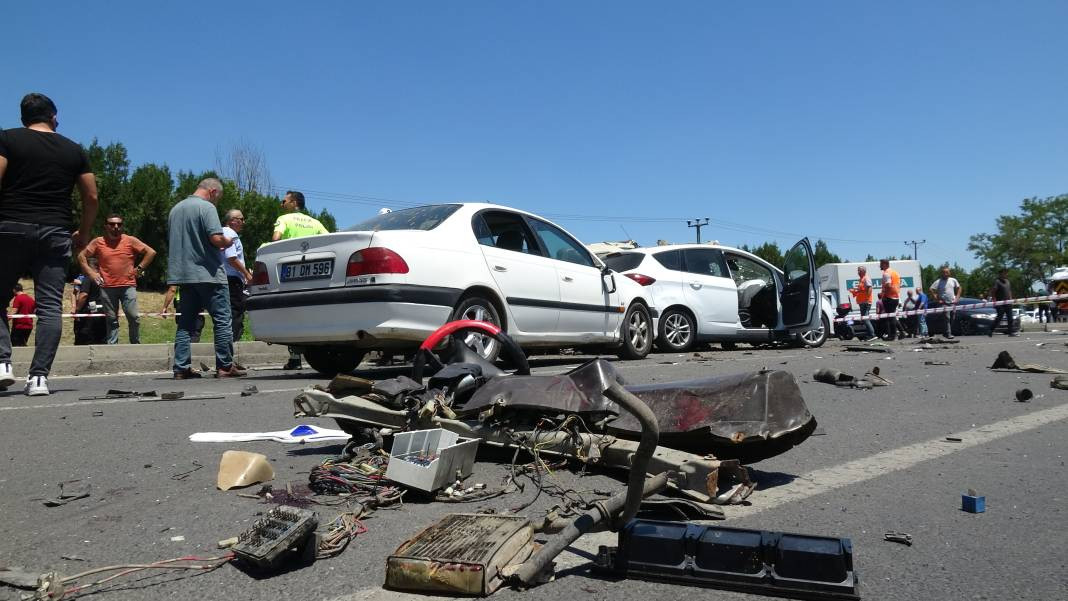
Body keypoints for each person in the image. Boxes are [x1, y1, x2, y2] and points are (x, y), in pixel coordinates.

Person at [0, 93, 98, 396]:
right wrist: (82, 232)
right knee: (50, 307)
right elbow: (91, 197)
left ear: (23, 118)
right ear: (53, 116)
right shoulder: (74, 149)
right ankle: (39, 377)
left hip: (11, 227)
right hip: (55, 231)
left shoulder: (7, 139)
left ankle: (3, 362)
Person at [167, 177, 244, 379]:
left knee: (186, 322)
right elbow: (215, 238)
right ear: (213, 191)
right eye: (218, 197)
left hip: (184, 274)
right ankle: (225, 366)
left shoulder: (176, 209)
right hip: (208, 273)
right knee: (222, 320)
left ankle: (181, 367)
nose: (217, 201)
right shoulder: (207, 208)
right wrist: (228, 241)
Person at [77, 213, 156, 344]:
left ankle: (135, 344)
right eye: (112, 224)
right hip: (107, 287)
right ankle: (112, 346)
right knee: (111, 319)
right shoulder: (98, 242)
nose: (116, 227)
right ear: (106, 226)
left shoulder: (130, 240)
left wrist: (140, 269)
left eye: (119, 224)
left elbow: (151, 252)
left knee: (134, 317)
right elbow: (81, 256)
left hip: (128, 285)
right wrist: (92, 274)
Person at [272, 190, 329, 370]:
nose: (282, 204)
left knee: (291, 316)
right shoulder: (315, 222)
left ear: (294, 202)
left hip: (290, 272)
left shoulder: (285, 219)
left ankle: (295, 358)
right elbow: (328, 240)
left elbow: (276, 239)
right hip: (314, 272)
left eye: (284, 201)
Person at [222, 210, 252, 349]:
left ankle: (226, 355)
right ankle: (229, 354)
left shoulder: (222, 233)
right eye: (241, 219)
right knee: (235, 314)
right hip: (232, 280)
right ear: (232, 220)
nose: (243, 222)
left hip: (224, 278)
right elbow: (232, 258)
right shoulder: (230, 234)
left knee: (226, 316)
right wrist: (247, 274)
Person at [72, 273, 107, 345]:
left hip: (89, 313)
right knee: (101, 340)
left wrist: (77, 310)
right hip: (102, 311)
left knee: (84, 339)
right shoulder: (104, 278)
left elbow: (83, 295)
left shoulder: (88, 278)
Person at [930, 266, 962, 339]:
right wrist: (937, 299)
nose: (945, 274)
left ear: (949, 273)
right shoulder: (938, 281)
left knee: (952, 318)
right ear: (941, 273)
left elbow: (959, 288)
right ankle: (948, 334)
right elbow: (931, 289)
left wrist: (957, 297)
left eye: (947, 272)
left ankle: (945, 332)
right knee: (947, 317)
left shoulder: (953, 280)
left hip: (952, 302)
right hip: (944, 303)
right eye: (944, 272)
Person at [988, 268, 1018, 337]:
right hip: (1000, 303)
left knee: (1010, 318)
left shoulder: (1007, 281)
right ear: (1000, 274)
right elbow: (993, 291)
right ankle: (990, 330)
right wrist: (994, 300)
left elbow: (1009, 291)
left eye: (1006, 273)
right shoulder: (997, 281)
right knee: (999, 317)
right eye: (1004, 273)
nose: (1006, 274)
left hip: (1008, 303)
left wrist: (1011, 299)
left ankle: (1010, 332)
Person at [849, 266, 876, 340]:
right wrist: (855, 292)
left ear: (863, 271)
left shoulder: (866, 278)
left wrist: (867, 298)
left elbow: (869, 289)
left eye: (859, 271)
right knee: (864, 319)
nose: (858, 272)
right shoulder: (861, 279)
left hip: (865, 302)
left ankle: (872, 335)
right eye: (858, 271)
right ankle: (869, 334)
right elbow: (862, 290)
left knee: (866, 319)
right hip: (862, 302)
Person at [879, 259, 901, 341]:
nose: (880, 266)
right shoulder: (894, 272)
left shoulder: (886, 273)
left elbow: (888, 285)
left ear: (885, 264)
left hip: (889, 298)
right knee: (892, 317)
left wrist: (883, 294)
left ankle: (892, 335)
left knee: (890, 318)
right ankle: (898, 333)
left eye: (881, 264)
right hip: (895, 297)